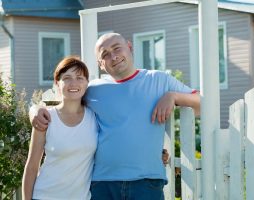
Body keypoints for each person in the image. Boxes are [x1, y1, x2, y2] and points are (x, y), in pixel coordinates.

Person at [31, 33, 200, 200]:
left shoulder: (159, 80)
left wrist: (174, 96)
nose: (113, 56)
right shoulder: (94, 89)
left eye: (117, 48)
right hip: (102, 185)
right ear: (100, 64)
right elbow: (60, 100)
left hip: (147, 183)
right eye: (105, 55)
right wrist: (34, 111)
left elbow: (202, 102)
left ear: (129, 47)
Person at [22, 56, 98, 200]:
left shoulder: (95, 117)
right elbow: (31, 167)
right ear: (57, 83)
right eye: (67, 77)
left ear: (87, 83)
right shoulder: (45, 118)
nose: (73, 83)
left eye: (79, 77)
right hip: (44, 196)